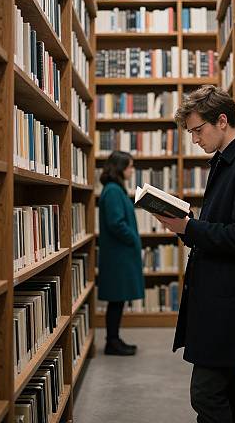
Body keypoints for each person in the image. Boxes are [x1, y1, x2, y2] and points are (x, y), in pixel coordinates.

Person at [153, 85, 235, 423]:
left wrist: (189, 228)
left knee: (206, 393)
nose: (194, 139)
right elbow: (222, 228)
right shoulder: (226, 162)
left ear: (222, 120)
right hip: (218, 300)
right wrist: (187, 226)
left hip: (231, 304)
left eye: (198, 130)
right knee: (225, 391)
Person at [98, 151, 144, 356]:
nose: (132, 170)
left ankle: (114, 339)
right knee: (116, 300)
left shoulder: (114, 189)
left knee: (118, 300)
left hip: (119, 254)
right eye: (129, 166)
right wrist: (133, 239)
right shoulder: (113, 191)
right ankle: (112, 342)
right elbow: (116, 223)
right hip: (118, 256)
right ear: (120, 168)